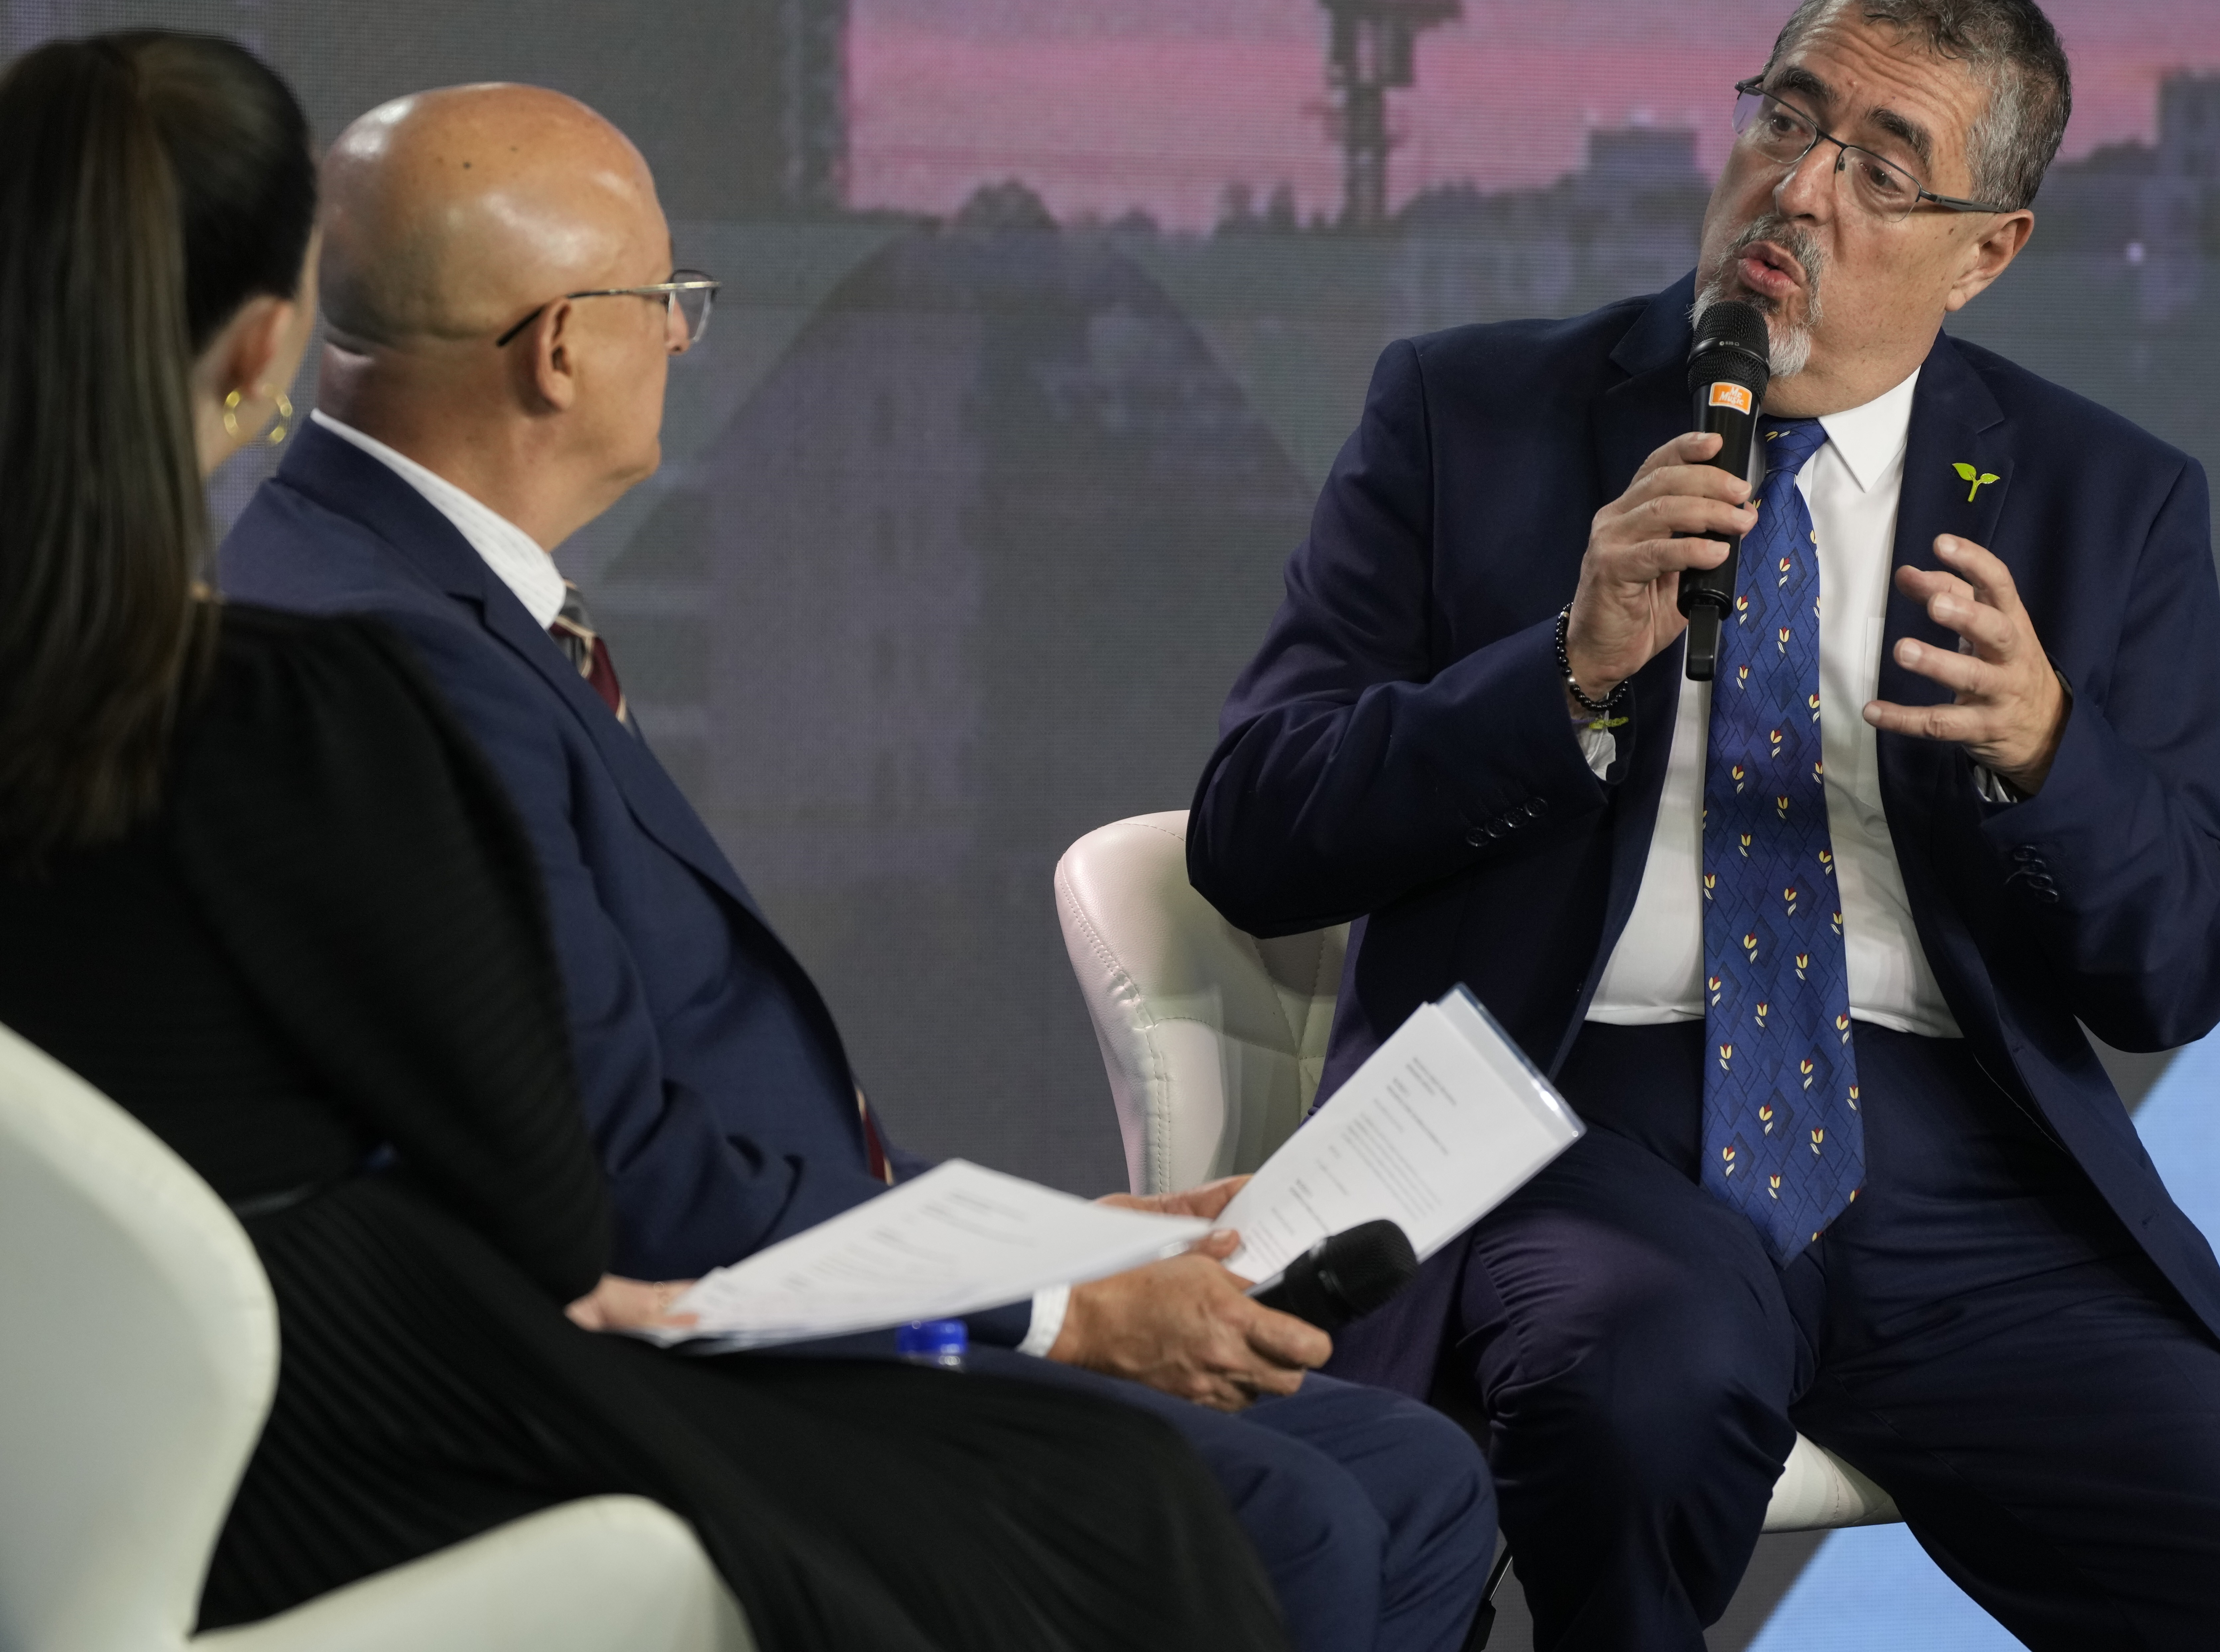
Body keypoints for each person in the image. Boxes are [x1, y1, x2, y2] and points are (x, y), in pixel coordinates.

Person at [1188, 0, 2220, 1650]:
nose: (1801, 186)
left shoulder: (2102, 500)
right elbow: (1254, 832)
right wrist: (1559, 670)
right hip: (1573, 1117)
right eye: (1789, 115)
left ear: (1986, 250)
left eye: (1880, 163)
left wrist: (2055, 754)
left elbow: (2185, 964)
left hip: (1954, 1163)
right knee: (1643, 1385)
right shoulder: (1471, 417)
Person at [0, 32, 1286, 1652]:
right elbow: (563, 1205)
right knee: (1120, 1514)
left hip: (65, 1457)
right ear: (268, 343)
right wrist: (1043, 1283)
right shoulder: (303, 712)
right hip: (318, 1431)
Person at [219, 80, 1495, 1652]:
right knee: (1293, 1519)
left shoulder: (387, 594)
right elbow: (618, 1187)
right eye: (666, 302)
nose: (685, 339)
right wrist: (1058, 1305)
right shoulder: (394, 668)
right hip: (646, 1377)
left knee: (1417, 1476)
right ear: (559, 347)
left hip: (769, 1306)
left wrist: (1066, 1248)